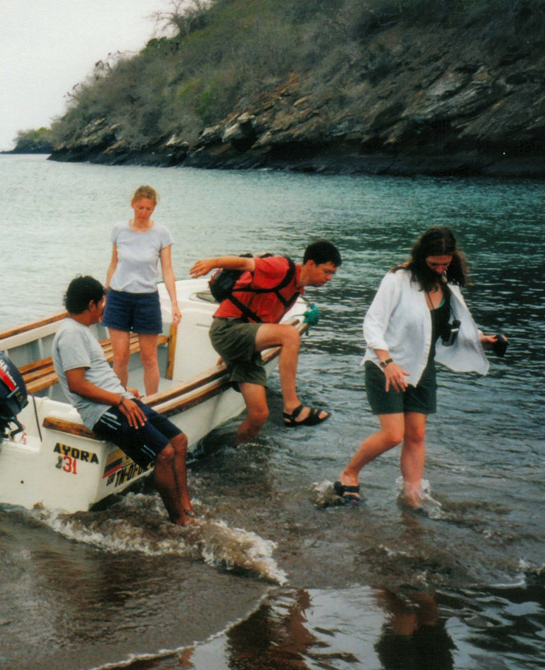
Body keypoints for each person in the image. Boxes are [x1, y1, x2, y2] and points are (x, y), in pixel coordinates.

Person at [336, 227, 503, 507]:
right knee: (393, 435)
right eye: (434, 263)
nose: (439, 268)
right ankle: (349, 473)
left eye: (445, 263)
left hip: (422, 367)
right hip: (386, 365)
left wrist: (483, 340)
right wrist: (387, 363)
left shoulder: (449, 283)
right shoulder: (397, 279)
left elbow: (450, 326)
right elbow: (372, 323)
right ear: (421, 256)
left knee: (417, 435)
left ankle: (412, 496)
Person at [53, 275, 194, 525]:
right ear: (91, 304)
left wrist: (124, 391)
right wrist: (119, 400)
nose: (103, 310)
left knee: (179, 441)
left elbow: (96, 375)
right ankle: (180, 520)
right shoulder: (71, 335)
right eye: (102, 304)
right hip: (102, 412)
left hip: (119, 400)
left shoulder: (81, 331)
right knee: (164, 454)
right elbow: (77, 384)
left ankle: (186, 506)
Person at [190, 241, 342, 445]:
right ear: (311, 263)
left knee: (259, 415)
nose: (329, 278)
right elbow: (245, 263)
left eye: (332, 273)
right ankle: (293, 408)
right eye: (327, 271)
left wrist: (230, 353)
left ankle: (233, 451)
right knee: (290, 335)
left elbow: (267, 321)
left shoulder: (297, 289)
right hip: (228, 329)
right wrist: (212, 262)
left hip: (243, 341)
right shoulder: (281, 267)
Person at [103, 185, 180, 396]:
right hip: (118, 298)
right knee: (120, 358)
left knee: (149, 358)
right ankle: (121, 401)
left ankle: (153, 404)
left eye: (148, 209)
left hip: (146, 300)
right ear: (132, 205)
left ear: (153, 209)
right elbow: (113, 264)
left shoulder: (162, 233)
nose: (143, 213)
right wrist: (106, 295)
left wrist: (174, 303)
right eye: (140, 207)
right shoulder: (119, 229)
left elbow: (167, 270)